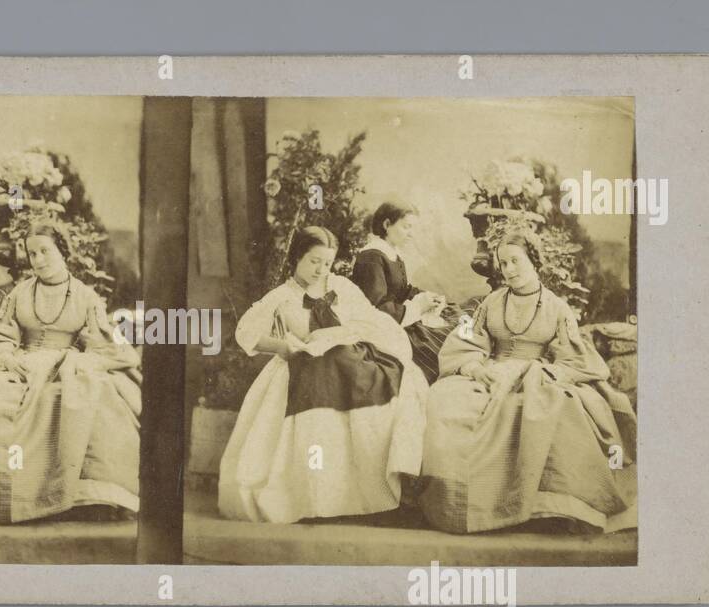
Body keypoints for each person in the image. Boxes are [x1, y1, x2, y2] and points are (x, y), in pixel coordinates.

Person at [417, 232, 636, 534]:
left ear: (534, 261)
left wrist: (534, 371)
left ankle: (548, 508)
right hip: (490, 372)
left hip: (538, 374)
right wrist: (475, 367)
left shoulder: (557, 308)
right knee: (444, 401)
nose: (509, 269)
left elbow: (573, 360)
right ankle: (459, 505)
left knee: (552, 409)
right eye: (503, 263)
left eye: (515, 261)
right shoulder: (489, 303)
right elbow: (465, 341)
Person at [218, 226, 428, 523]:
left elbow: (372, 321)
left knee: (391, 380)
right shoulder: (281, 296)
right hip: (304, 365)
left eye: (327, 263)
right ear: (297, 258)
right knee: (319, 387)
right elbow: (246, 332)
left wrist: (354, 337)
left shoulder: (342, 287)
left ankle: (374, 494)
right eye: (314, 261)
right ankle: (317, 499)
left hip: (349, 360)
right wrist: (282, 347)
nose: (321, 270)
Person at [0, 219, 141, 524]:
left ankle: (87, 496)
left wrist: (77, 361)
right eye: (32, 254)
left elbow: (103, 344)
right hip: (22, 361)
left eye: (45, 251)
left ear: (64, 252)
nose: (38, 260)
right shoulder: (20, 293)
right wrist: (5, 356)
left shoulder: (84, 296)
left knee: (89, 399)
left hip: (66, 366)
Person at [351, 201, 469, 383]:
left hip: (400, 317)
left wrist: (427, 297)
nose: (411, 234)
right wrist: (417, 308)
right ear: (387, 225)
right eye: (406, 227)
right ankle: (462, 370)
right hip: (385, 326)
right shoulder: (372, 257)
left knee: (458, 316)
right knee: (440, 340)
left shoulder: (392, 253)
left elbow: (401, 289)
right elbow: (375, 308)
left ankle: (471, 361)